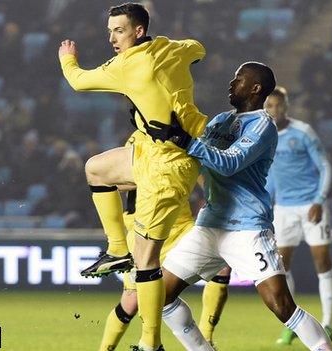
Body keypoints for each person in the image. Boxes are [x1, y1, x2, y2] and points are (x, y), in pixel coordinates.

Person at [147, 61, 332, 351]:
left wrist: (185, 140)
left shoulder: (263, 126)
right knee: (159, 295)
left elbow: (229, 162)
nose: (231, 84)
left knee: (280, 304)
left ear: (255, 88)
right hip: (210, 225)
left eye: (238, 79)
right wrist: (171, 136)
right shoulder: (220, 119)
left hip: (246, 228)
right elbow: (198, 156)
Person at [58, 3, 208, 350]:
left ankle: (150, 343)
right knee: (96, 169)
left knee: (147, 262)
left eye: (119, 31)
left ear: (139, 31)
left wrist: (67, 57)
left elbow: (78, 82)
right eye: (110, 30)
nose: (111, 38)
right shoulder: (173, 48)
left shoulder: (128, 64)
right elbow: (197, 48)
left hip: (168, 166)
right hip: (152, 154)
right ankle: (115, 249)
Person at [99, 131, 229, 351]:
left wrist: (212, 198)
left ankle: (206, 339)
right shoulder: (135, 139)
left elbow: (201, 173)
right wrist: (148, 174)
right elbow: (114, 180)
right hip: (141, 227)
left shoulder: (180, 134)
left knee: (222, 266)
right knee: (131, 302)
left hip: (179, 225)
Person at [264, 86, 332, 345]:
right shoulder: (264, 136)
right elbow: (270, 176)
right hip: (283, 208)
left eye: (278, 105)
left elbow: (325, 166)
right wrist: (266, 203)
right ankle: (292, 323)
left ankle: (327, 324)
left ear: (286, 106)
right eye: (269, 106)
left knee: (322, 262)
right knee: (281, 268)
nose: (274, 110)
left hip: (310, 206)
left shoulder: (302, 132)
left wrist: (319, 200)